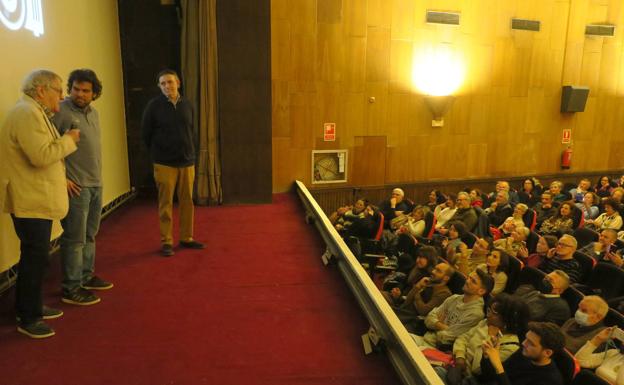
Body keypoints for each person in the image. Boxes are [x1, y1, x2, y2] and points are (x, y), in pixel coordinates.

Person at [0, 70, 80, 338]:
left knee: (37, 258)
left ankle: (30, 306)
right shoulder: (26, 113)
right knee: (35, 259)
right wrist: (68, 141)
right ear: (41, 90)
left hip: (34, 198)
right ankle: (28, 317)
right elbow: (41, 156)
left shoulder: (31, 111)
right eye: (58, 90)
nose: (63, 95)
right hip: (30, 200)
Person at [51, 69, 112, 306]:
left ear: (94, 93)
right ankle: (71, 287)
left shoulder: (93, 113)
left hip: (96, 183)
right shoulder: (61, 111)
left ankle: (86, 276)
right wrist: (62, 178)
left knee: (89, 235)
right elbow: (51, 148)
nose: (79, 94)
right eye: (76, 89)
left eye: (85, 90)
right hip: (76, 187)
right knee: (74, 238)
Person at [142, 69, 205, 256]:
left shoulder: (187, 105)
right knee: (166, 204)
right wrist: (157, 153)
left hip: (187, 162)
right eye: (162, 84)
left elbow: (192, 130)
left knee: (187, 202)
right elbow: (146, 134)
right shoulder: (153, 106)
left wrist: (191, 152)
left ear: (178, 83)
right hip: (164, 163)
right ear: (159, 87)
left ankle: (187, 238)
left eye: (170, 82)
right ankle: (167, 242)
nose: (167, 86)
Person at [442, 294, 530, 382]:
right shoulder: (486, 323)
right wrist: (460, 358)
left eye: (494, 313)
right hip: (456, 363)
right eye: (488, 310)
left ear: (507, 320)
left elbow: (477, 368)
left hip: (468, 379)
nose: (488, 315)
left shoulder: (511, 346)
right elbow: (462, 338)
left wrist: (489, 337)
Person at [413, 269, 494, 348]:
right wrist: (443, 326)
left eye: (473, 281)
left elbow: (445, 339)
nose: (467, 281)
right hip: (425, 338)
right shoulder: (454, 298)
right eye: (469, 277)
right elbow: (428, 318)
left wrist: (436, 324)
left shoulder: (476, 314)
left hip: (437, 348)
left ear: (481, 291)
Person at [479, 321, 566, 385]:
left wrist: (499, 368)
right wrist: (487, 357)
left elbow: (501, 374)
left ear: (547, 353)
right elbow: (489, 376)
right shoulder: (523, 353)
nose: (524, 343)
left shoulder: (551, 380)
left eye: (531, 343)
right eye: (526, 339)